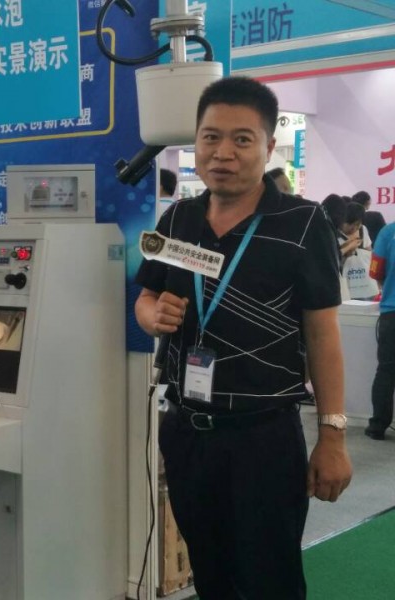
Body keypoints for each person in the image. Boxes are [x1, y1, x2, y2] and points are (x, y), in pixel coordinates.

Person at [135, 76, 352, 600]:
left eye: (241, 139)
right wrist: (152, 315)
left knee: (269, 579)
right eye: (210, 137)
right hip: (187, 431)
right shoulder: (179, 218)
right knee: (210, 574)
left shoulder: (302, 223)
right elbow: (145, 297)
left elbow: (322, 335)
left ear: (268, 146)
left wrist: (333, 435)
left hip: (263, 437)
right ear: (196, 141)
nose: (223, 153)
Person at [366, 222, 395, 440]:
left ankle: (378, 426)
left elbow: (376, 271)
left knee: (386, 370)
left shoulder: (388, 232)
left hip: (392, 312)